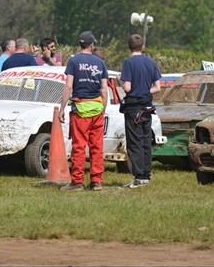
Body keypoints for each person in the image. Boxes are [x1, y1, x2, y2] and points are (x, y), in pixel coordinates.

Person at [58, 31, 109, 191]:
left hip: (80, 109)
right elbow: (105, 90)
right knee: (97, 147)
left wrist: (62, 108)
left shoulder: (74, 61)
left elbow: (68, 86)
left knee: (79, 146)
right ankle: (96, 182)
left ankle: (77, 182)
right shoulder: (100, 63)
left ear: (80, 44)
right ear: (92, 45)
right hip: (96, 109)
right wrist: (103, 109)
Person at [119, 33, 162, 189]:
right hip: (147, 107)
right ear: (143, 46)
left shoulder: (128, 63)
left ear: (129, 46)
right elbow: (158, 88)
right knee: (145, 141)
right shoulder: (151, 62)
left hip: (133, 108)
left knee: (134, 142)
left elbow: (127, 87)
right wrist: (145, 90)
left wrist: (122, 83)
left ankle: (139, 176)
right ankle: (146, 174)